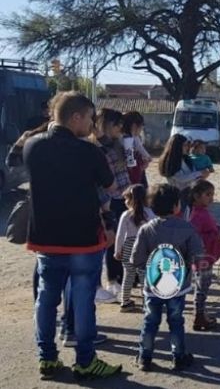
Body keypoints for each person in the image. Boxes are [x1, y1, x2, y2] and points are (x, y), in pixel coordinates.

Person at [23, 91, 122, 380]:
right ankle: (85, 360)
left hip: (45, 237)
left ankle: (48, 358)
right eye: (90, 118)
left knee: (46, 297)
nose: (92, 124)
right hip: (82, 238)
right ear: (75, 117)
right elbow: (112, 186)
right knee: (82, 299)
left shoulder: (32, 146)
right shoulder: (89, 151)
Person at [130, 184, 204, 372]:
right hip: (178, 286)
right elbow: (198, 254)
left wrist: (147, 270)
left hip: (152, 285)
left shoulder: (146, 229)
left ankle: (144, 357)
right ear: (176, 206)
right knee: (176, 321)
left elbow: (136, 259)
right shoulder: (187, 228)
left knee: (150, 321)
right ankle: (178, 356)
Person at [93, 108, 131, 295]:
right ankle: (108, 280)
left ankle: (117, 277)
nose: (120, 128)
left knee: (120, 239)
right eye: (117, 124)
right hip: (109, 198)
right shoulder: (98, 146)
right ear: (106, 124)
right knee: (109, 239)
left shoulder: (118, 143)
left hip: (123, 194)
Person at [188, 180, 220, 331]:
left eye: (212, 194)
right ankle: (199, 316)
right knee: (202, 285)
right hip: (202, 257)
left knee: (203, 284)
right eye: (208, 194)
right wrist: (215, 234)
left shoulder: (200, 212)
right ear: (196, 196)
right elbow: (196, 237)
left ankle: (201, 312)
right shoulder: (197, 215)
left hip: (206, 256)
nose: (211, 198)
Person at [115, 184, 155, 313]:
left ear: (131, 199)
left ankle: (125, 301)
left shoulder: (126, 215)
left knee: (128, 274)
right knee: (144, 275)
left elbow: (120, 234)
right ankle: (146, 302)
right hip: (144, 247)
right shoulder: (150, 213)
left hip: (128, 246)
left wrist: (117, 250)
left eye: (126, 199)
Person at [159, 134, 210, 217]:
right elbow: (181, 178)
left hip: (191, 193)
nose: (188, 147)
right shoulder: (170, 162)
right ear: (177, 146)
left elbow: (193, 173)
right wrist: (199, 173)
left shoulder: (186, 159)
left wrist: (202, 176)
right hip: (179, 195)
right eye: (185, 145)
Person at [121, 111, 152, 186]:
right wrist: (141, 167)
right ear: (134, 126)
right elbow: (130, 162)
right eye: (141, 126)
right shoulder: (127, 140)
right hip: (134, 178)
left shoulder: (131, 137)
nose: (142, 129)